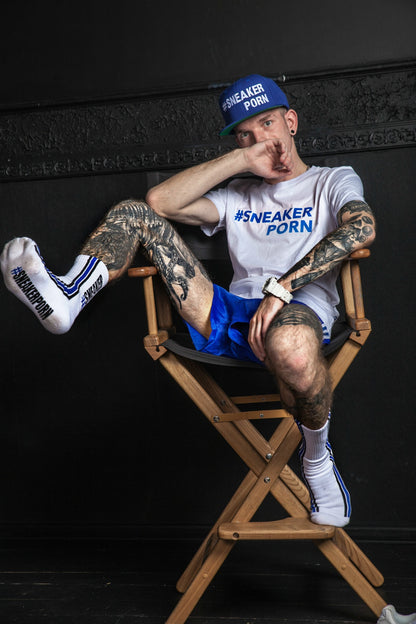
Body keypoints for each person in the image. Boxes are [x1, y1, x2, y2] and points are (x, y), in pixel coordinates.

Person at [0, 74, 376, 528]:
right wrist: (243, 159)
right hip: (226, 313)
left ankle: (316, 460)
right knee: (135, 212)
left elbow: (361, 228)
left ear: (291, 122)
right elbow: (160, 201)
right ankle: (69, 298)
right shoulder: (238, 194)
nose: (261, 139)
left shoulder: (331, 181)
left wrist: (282, 288)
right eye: (245, 133)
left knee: (292, 348)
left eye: (268, 124)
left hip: (298, 313)